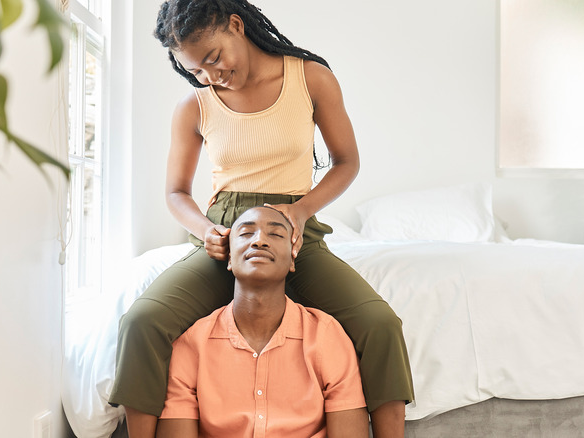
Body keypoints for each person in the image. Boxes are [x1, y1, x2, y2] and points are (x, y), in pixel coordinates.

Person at [108, 1, 414, 437]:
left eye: (213, 58)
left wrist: (300, 212)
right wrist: (205, 231)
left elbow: (346, 162)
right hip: (226, 233)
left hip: (295, 231)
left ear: (236, 25)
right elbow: (176, 193)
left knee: (380, 324)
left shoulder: (310, 78)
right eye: (195, 70)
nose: (211, 76)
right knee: (141, 322)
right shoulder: (194, 106)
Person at [156, 206, 369, 437]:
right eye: (246, 233)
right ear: (229, 259)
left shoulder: (327, 337)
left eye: (276, 234)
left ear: (292, 259)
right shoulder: (192, 345)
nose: (259, 241)